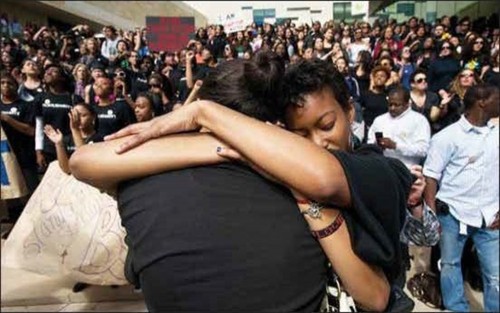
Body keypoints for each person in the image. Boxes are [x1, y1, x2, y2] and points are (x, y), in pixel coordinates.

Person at [71, 54, 417, 311]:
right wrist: (229, 143)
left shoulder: (375, 169)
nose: (317, 143)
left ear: (351, 111)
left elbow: (374, 295)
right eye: (300, 134)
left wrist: (202, 114)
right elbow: (83, 161)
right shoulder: (280, 170)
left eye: (326, 125)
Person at [423, 83, 499, 312]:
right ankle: (457, 308)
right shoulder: (447, 137)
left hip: (491, 216)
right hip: (453, 215)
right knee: (449, 265)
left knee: (495, 274)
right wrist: (432, 215)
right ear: (482, 102)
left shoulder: (497, 136)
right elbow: (430, 177)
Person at [367, 86, 431, 168]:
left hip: (406, 170)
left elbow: (423, 150)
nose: (392, 108)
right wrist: (376, 146)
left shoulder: (419, 120)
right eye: (390, 104)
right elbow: (369, 143)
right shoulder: (379, 120)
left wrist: (396, 146)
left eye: (397, 105)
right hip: (382, 168)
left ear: (407, 103)